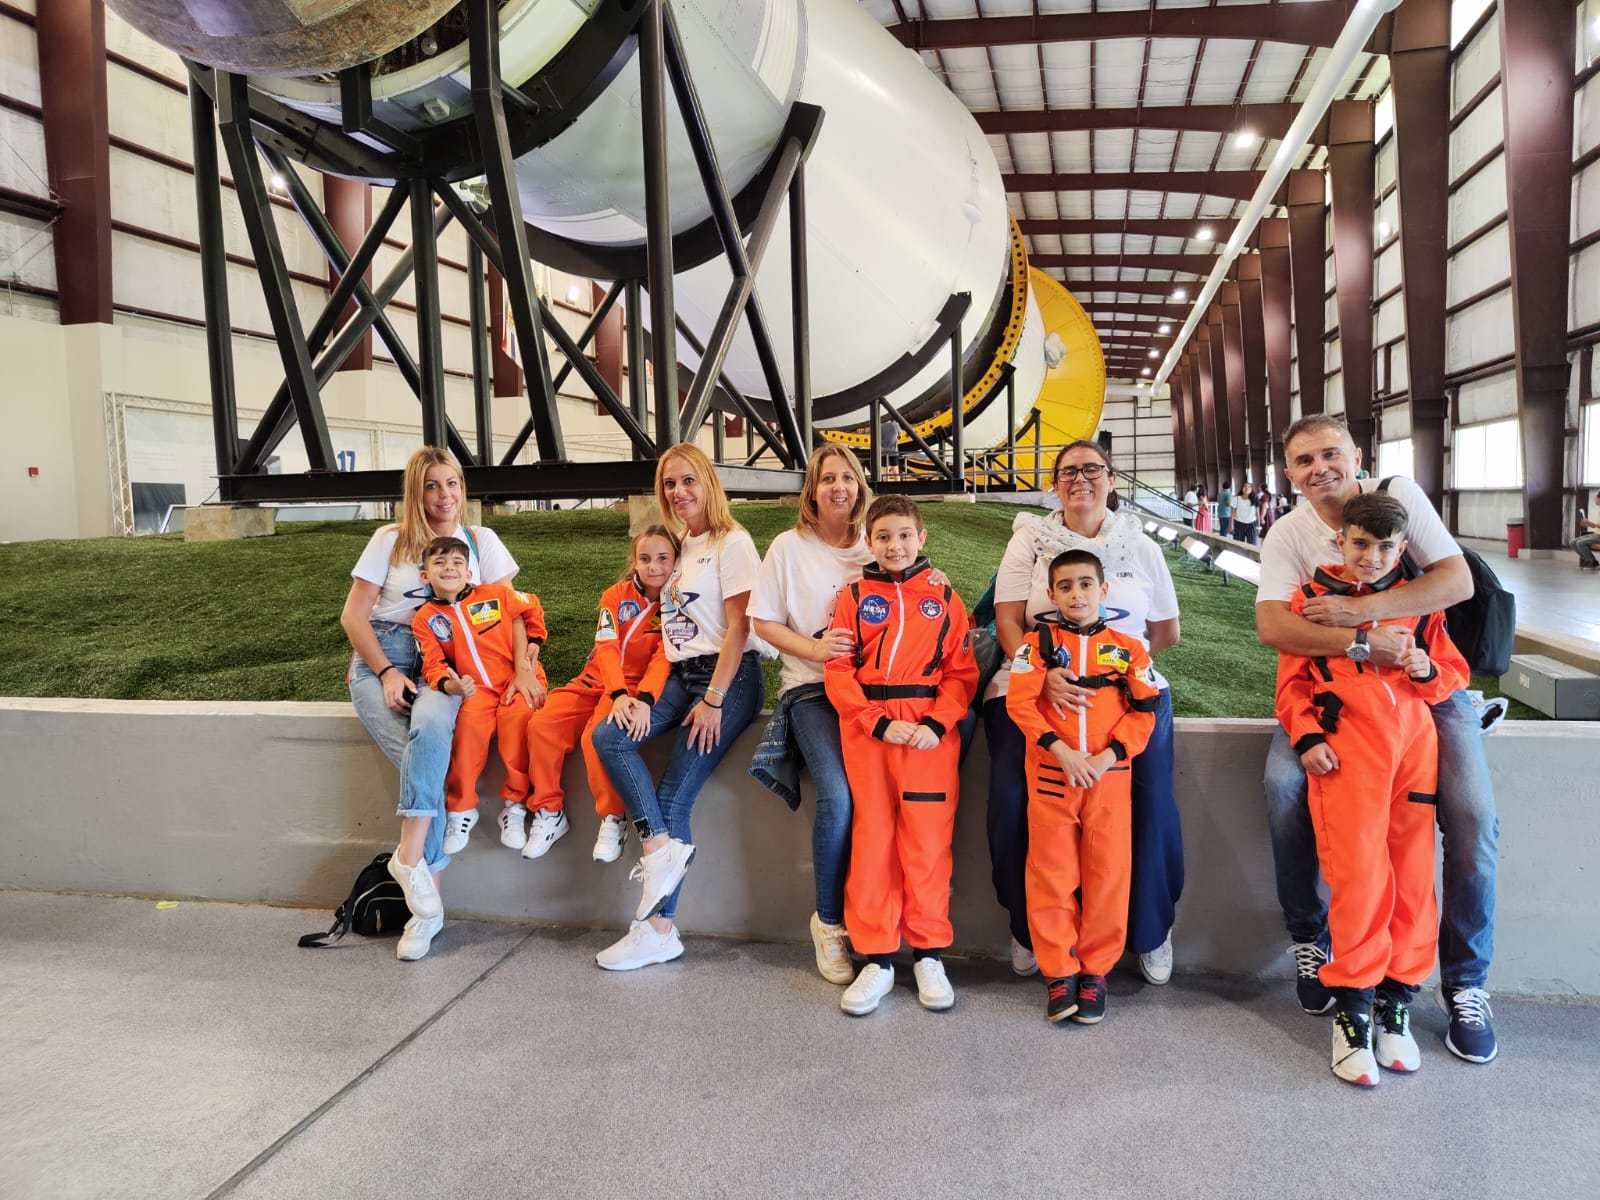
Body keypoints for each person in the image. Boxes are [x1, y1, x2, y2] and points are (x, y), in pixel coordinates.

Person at [1257, 414, 1501, 1064]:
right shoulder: (1291, 538)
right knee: (1284, 787)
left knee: (1472, 818)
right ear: (1290, 474)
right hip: (1340, 701)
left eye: (1330, 453)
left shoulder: (1401, 501)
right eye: (1304, 460)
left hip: (1417, 707)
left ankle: (1463, 984)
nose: (1319, 469)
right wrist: (1357, 648)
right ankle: (1316, 944)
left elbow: (1455, 585)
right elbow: (1278, 634)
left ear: (1356, 455)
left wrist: (1387, 633)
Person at [1275, 491, 1470, 1085]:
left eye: (1386, 546)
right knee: (1359, 877)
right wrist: (1307, 738)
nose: (1372, 555)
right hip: (1347, 758)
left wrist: (1427, 672)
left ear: (1402, 548)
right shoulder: (1310, 600)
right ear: (1342, 541)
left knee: (1413, 879)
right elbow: (1291, 684)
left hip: (1414, 759)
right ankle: (1354, 1007)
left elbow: (1452, 674)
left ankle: (1397, 1001)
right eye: (1361, 543)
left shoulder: (1418, 604)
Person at [983, 440, 1183, 986]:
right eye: (1068, 471)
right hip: (1033, 688)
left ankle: (1149, 929)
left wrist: (1115, 672)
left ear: (1111, 478)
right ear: (1054, 483)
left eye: (1092, 469)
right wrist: (1043, 673)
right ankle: (1029, 928)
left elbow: (1164, 632)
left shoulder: (1142, 545)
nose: (1080, 480)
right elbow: (1006, 621)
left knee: (1151, 802)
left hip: (1123, 693)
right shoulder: (1029, 540)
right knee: (1009, 798)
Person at [589, 443, 766, 971]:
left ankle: (658, 930)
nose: (678, 492)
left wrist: (713, 697)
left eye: (688, 480)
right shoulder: (681, 543)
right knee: (609, 736)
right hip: (678, 674)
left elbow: (741, 626)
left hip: (725, 680)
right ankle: (661, 849)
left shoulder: (732, 542)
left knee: (674, 794)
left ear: (708, 482)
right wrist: (638, 697)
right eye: (669, 484)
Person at [339, 446, 519, 962]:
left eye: (454, 484)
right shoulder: (389, 541)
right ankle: (427, 909)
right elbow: (354, 618)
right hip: (387, 655)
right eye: (433, 486)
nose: (445, 496)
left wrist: (519, 669)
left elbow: (510, 614)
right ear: (416, 492)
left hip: (445, 664)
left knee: (432, 754)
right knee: (428, 771)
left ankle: (410, 868)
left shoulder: (480, 542)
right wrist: (387, 671)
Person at [824, 495, 977, 1016]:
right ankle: (877, 958)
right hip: (869, 734)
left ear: (921, 537)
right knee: (872, 843)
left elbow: (960, 673)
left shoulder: (945, 596)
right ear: (869, 541)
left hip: (929, 739)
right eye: (883, 536)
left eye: (904, 535)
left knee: (928, 843)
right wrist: (876, 722)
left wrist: (936, 724)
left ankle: (929, 954)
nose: (894, 545)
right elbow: (838, 670)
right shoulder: (852, 595)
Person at [1006, 549, 1160, 1025]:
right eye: (1066, 586)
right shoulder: (1036, 645)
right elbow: (1020, 703)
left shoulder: (1131, 648)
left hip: (1108, 778)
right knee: (1051, 873)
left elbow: (1145, 710)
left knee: (1108, 874)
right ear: (1051, 595)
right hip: (1054, 775)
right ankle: (1058, 972)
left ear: (1104, 590)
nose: (1077, 594)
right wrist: (1063, 752)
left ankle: (1095, 972)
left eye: (1086, 584)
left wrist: (1108, 756)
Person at [748, 444, 876, 986]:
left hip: (876, 695)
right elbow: (762, 624)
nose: (839, 487)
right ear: (812, 490)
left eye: (848, 477)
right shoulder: (788, 547)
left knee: (881, 802)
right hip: (813, 691)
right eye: (828, 479)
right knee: (839, 795)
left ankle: (875, 921)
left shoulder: (877, 544)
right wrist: (816, 651)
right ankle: (829, 922)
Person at [517, 525, 677, 864]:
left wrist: (643, 698)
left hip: (632, 689)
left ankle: (613, 817)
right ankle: (549, 812)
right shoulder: (614, 595)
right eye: (645, 558)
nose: (654, 566)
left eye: (663, 558)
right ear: (634, 560)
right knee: (542, 724)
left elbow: (665, 657)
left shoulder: (676, 604)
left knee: (596, 737)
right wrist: (615, 690)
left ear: (676, 560)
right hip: (598, 681)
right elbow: (605, 647)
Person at [411, 537, 549, 855]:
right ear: (424, 576)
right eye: (440, 563)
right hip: (476, 691)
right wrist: (451, 686)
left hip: (518, 680)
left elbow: (532, 606)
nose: (449, 568)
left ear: (470, 573)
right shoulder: (425, 619)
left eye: (458, 563)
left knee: (518, 726)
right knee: (467, 735)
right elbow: (433, 665)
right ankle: (461, 811)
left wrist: (535, 643)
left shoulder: (496, 594)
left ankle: (514, 807)